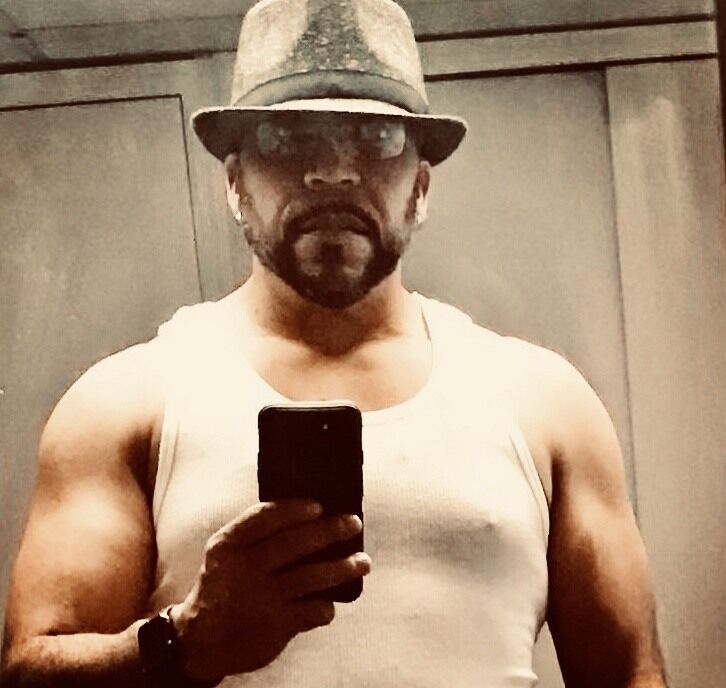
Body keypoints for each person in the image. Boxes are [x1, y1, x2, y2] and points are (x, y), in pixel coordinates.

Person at [1, 1, 667, 686]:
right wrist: (185, 641)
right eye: (286, 139)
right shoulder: (125, 404)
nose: (332, 171)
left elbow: (631, 676)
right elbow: (26, 673)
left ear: (420, 188)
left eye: (376, 137)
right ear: (235, 183)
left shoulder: (542, 403)